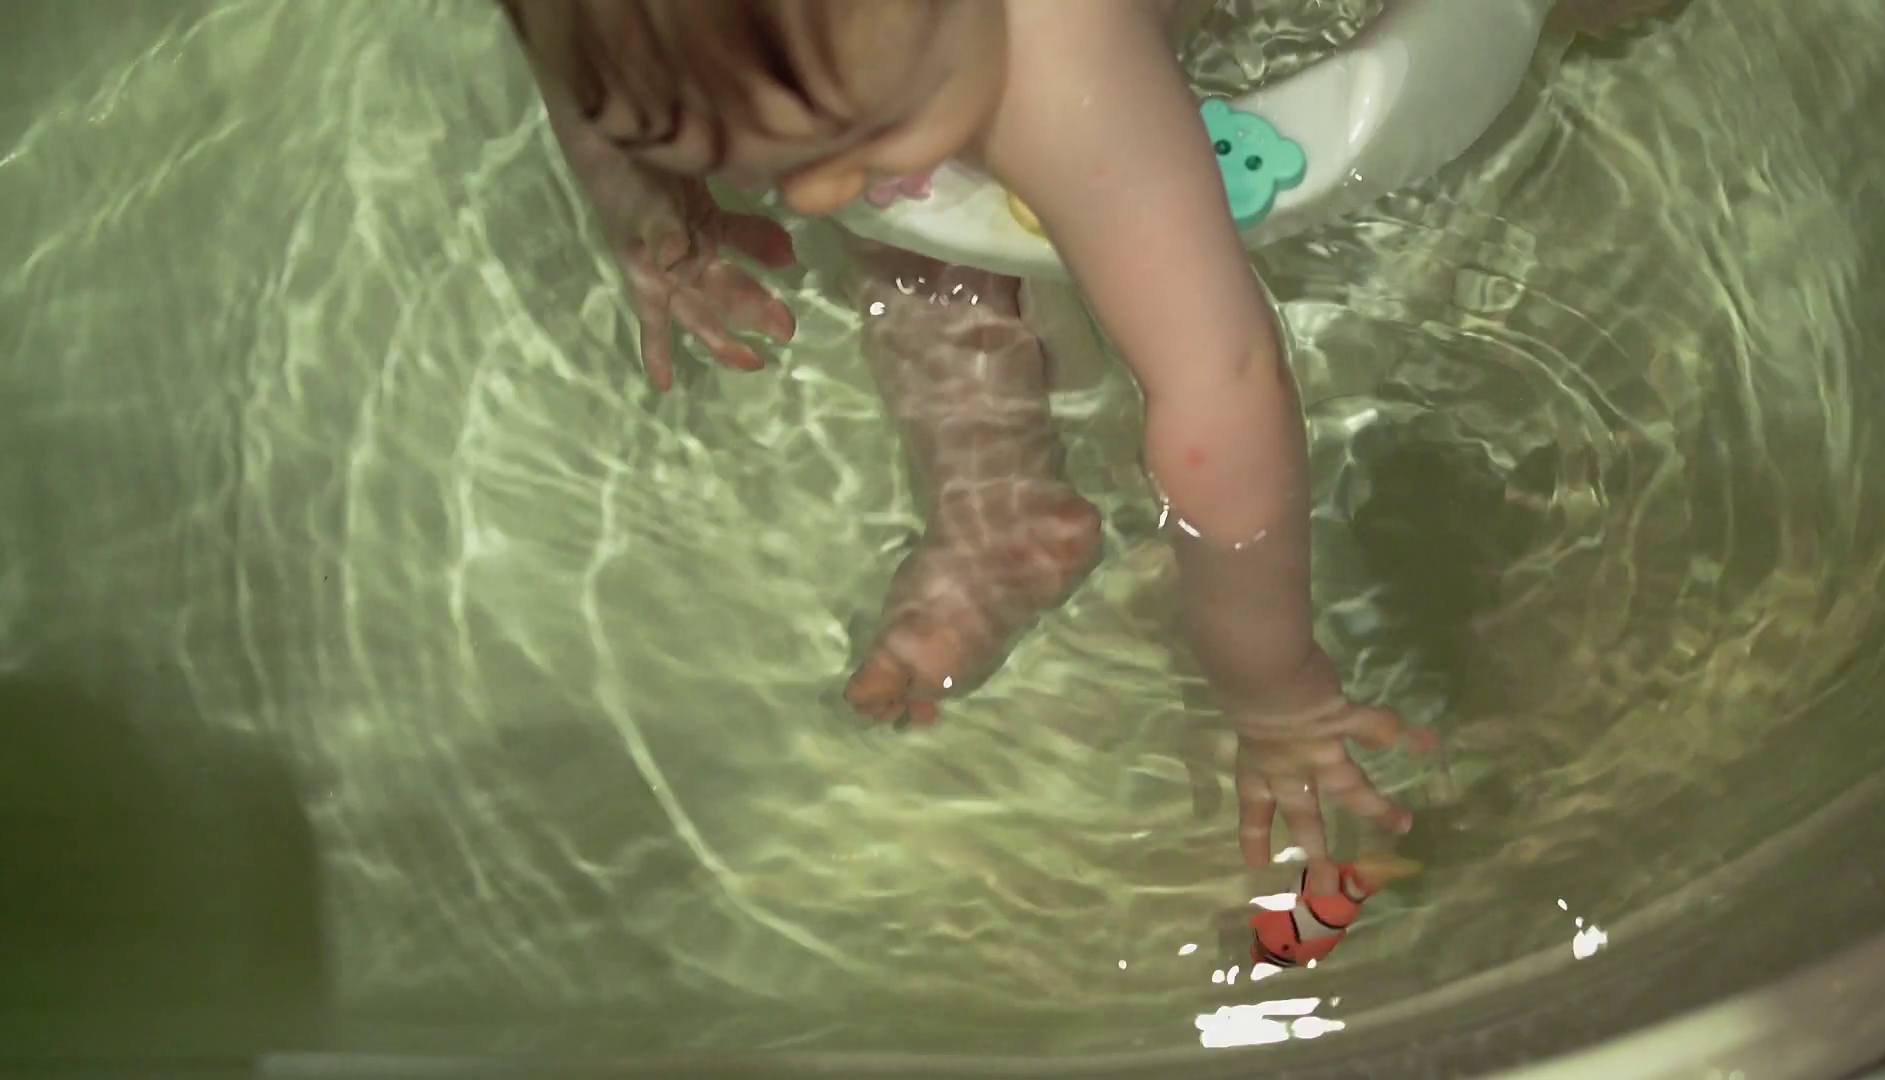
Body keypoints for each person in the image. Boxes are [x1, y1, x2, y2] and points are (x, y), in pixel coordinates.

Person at [497, 0, 1658, 897]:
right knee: (914, 244)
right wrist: (648, 210)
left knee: (936, 222)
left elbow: (1219, 387)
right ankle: (993, 510)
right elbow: (575, 56)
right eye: (767, 163)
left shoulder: (1059, 49)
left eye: (858, 136)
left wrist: (1274, 687)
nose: (810, 195)